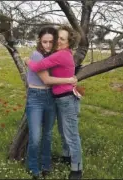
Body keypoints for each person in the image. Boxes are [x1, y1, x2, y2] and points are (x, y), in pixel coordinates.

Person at [25, 25, 83, 179]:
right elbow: (47, 77)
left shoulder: (60, 54)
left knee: (69, 134)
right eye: (58, 38)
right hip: (51, 97)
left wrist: (27, 61)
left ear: (69, 42)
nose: (56, 42)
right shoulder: (54, 53)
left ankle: (76, 169)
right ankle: (60, 158)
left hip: (63, 98)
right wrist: (71, 79)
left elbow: (43, 74)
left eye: (60, 39)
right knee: (59, 132)